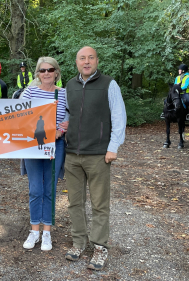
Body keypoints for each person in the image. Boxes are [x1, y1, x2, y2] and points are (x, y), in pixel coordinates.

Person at [63, 46, 126, 270]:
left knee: (100, 205)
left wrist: (113, 147)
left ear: (97, 60)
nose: (86, 61)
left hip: (99, 155)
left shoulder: (109, 84)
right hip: (72, 155)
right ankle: (79, 242)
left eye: (90, 58)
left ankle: (100, 247)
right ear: (76, 62)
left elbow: (119, 116)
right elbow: (68, 114)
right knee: (74, 203)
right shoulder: (69, 85)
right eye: (82, 58)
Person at [21, 57, 68, 251]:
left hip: (55, 145)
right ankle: (34, 231)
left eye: (50, 70)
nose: (46, 73)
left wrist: (64, 127)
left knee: (49, 189)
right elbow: (18, 113)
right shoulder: (29, 91)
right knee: (35, 189)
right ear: (37, 73)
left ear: (56, 72)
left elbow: (70, 114)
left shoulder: (64, 93)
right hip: (34, 145)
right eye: (42, 70)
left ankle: (47, 232)